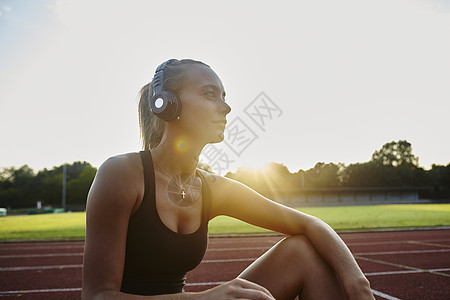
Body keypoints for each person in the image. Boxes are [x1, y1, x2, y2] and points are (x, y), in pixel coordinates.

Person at [82, 58, 375, 300]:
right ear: (167, 103)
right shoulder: (122, 174)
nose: (226, 108)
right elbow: (97, 296)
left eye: (224, 97)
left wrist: (356, 282)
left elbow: (308, 224)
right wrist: (203, 298)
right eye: (210, 94)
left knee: (302, 251)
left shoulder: (212, 188)